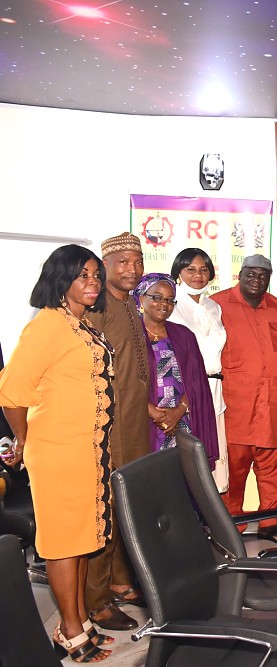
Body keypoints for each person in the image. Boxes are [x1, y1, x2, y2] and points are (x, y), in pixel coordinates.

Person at [0, 245, 115, 662]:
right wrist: (23, 439)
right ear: (60, 279)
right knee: (64, 542)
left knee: (84, 538)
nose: (92, 282)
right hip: (58, 452)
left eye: (96, 275)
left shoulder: (80, 325)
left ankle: (80, 619)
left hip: (87, 449)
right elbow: (12, 390)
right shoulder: (47, 325)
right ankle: (69, 632)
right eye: (82, 274)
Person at [85, 232, 149, 631]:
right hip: (109, 428)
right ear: (105, 265)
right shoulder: (99, 306)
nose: (131, 269)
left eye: (136, 262)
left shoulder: (130, 305)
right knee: (105, 509)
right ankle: (96, 600)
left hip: (135, 422)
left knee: (129, 505)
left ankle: (122, 580)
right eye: (122, 262)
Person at [212, 255, 277, 545]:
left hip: (275, 405)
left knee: (273, 468)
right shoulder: (217, 305)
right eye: (251, 273)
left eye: (263, 274)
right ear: (240, 274)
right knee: (233, 470)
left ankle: (270, 524)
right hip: (237, 406)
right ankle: (231, 525)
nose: (257, 279)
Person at [135, 273, 219, 461]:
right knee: (146, 479)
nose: (164, 304)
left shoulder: (183, 335)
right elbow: (124, 383)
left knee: (180, 481)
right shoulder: (130, 336)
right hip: (143, 422)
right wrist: (154, 412)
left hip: (181, 423)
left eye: (170, 300)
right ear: (141, 298)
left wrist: (179, 411)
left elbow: (197, 380)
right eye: (157, 297)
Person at [169, 248, 229, 491]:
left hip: (214, 393)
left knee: (211, 467)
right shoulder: (171, 304)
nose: (198, 275)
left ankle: (206, 525)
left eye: (204, 269)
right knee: (186, 467)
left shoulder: (214, 307)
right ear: (179, 273)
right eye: (190, 269)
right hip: (184, 393)